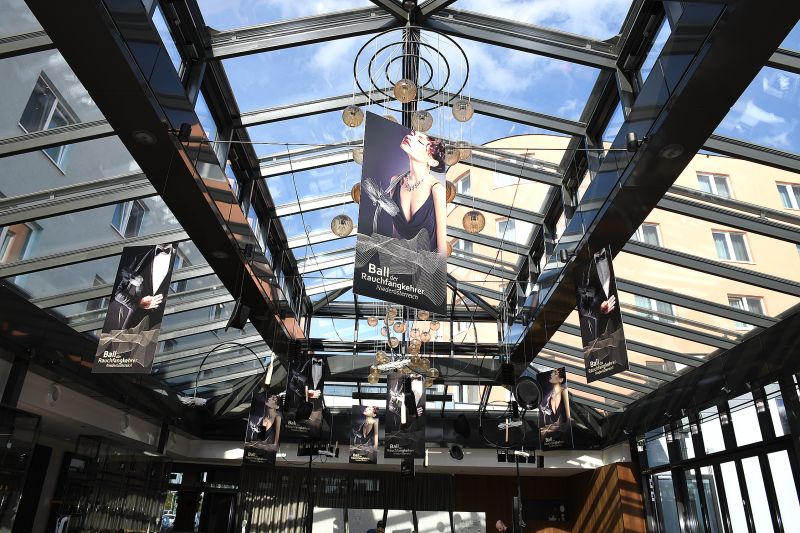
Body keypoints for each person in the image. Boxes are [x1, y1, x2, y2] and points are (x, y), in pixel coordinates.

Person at [389, 131, 447, 255]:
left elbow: (442, 250)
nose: (410, 137)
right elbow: (395, 236)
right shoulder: (395, 182)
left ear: (432, 161)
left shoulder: (437, 190)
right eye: (412, 134)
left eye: (420, 141)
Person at [576, 246, 623, 366]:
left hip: (625, 320)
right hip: (604, 328)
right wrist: (598, 309)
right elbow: (583, 308)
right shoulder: (583, 269)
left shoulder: (616, 253)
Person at [540, 368, 570, 432]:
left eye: (555, 373)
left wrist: (547, 429)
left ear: (561, 379)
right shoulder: (547, 398)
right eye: (552, 372)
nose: (551, 374)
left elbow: (568, 424)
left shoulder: (565, 394)